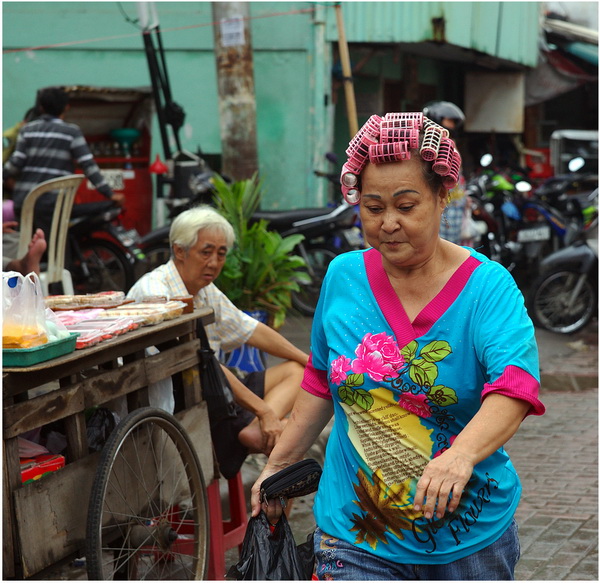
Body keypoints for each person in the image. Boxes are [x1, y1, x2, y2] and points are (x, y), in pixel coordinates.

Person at [250, 111, 545, 580]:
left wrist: (460, 456)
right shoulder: (343, 277)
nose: (388, 223)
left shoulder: (488, 288)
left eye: (406, 206)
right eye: (373, 207)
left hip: (469, 539)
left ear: (442, 196)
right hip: (355, 532)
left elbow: (515, 384)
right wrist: (278, 466)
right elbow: (322, 379)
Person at [127, 205, 309, 479]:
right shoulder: (157, 293)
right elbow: (204, 363)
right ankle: (260, 429)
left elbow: (250, 329)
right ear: (179, 251)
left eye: (220, 253)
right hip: (183, 406)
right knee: (289, 449)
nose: (214, 262)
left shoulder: (204, 289)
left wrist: (311, 361)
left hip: (217, 392)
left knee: (300, 370)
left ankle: (257, 429)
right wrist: (263, 411)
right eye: (206, 252)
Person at [3, 87, 124, 238]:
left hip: (25, 202)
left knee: (26, 245)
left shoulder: (27, 130)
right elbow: (88, 165)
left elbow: (14, 164)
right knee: (55, 245)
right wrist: (109, 193)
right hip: (54, 203)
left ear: (41, 107)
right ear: (67, 107)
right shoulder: (71, 132)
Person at [422, 101, 476, 246]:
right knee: (442, 248)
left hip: (456, 203)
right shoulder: (432, 145)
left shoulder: (449, 142)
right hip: (443, 206)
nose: (452, 125)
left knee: (454, 250)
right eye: (450, 120)